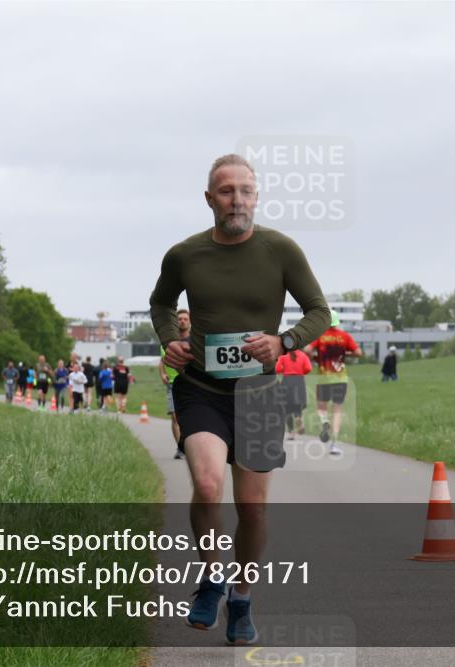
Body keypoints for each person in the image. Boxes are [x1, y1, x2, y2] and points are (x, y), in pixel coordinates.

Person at [150, 154, 330, 645]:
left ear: (257, 196)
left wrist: (284, 342)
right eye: (226, 191)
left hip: (259, 394)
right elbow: (161, 302)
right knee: (207, 486)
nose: (237, 200)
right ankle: (212, 577)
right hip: (202, 389)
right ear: (210, 199)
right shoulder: (185, 255)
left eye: (245, 190)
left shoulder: (280, 250)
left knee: (252, 509)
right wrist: (171, 339)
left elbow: (319, 311)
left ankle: (243, 597)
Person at [306, 310, 361, 456]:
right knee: (337, 410)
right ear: (337, 322)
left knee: (321, 406)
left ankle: (324, 421)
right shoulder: (345, 336)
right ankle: (334, 443)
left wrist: (314, 358)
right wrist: (346, 354)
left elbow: (307, 349)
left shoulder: (321, 336)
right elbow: (358, 353)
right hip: (340, 378)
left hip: (324, 378)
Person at [160, 309, 192, 459]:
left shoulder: (194, 341)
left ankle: (190, 446)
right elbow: (162, 361)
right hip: (172, 384)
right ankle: (180, 448)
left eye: (185, 319)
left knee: (191, 416)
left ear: (190, 321)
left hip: (191, 384)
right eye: (179, 319)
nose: (182, 321)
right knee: (174, 416)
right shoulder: (169, 343)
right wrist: (162, 373)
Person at [275, 347, 312, 440]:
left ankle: (291, 432)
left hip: (287, 381)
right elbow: (308, 368)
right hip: (299, 381)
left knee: (287, 408)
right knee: (297, 405)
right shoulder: (303, 355)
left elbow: (277, 368)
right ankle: (298, 417)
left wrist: (284, 370)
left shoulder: (283, 356)